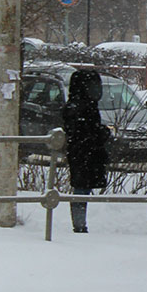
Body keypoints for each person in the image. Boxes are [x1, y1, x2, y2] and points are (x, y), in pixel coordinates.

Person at [61, 69, 110, 233]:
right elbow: (82, 131)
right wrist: (101, 133)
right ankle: (79, 225)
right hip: (83, 152)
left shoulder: (83, 104)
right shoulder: (80, 106)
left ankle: (80, 223)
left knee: (83, 187)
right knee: (81, 188)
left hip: (85, 152)